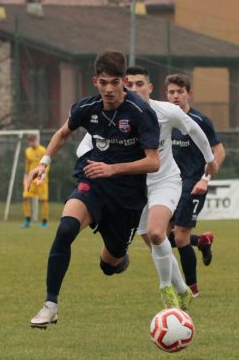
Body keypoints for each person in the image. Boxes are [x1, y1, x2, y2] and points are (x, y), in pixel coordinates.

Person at [28, 51, 161, 329]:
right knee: (65, 230)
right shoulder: (87, 108)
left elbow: (153, 162)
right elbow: (63, 133)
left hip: (127, 198)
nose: (109, 89)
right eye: (103, 83)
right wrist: (44, 163)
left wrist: (113, 168)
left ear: (123, 81)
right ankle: (50, 305)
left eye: (115, 82)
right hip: (93, 185)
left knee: (109, 265)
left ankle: (119, 257)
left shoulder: (140, 112)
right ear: (95, 81)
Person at [76, 66, 218, 310]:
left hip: (165, 181)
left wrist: (210, 160)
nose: (133, 89)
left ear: (150, 88)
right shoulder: (112, 115)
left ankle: (165, 288)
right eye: (128, 84)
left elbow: (195, 129)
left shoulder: (165, 111)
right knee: (156, 242)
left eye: (139, 84)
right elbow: (84, 146)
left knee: (156, 232)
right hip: (133, 189)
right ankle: (182, 289)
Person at [166, 73, 226, 297]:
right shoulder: (164, 120)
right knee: (161, 238)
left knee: (180, 237)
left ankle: (191, 290)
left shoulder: (200, 121)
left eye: (180, 92)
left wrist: (205, 179)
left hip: (193, 184)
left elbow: (219, 151)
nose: (175, 96)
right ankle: (201, 241)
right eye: (171, 92)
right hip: (169, 184)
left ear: (188, 94)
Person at [21, 134, 49, 228]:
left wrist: (44, 175)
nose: (32, 143)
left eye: (33, 141)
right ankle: (27, 220)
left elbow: (47, 163)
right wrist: (25, 176)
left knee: (43, 200)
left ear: (37, 141)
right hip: (31, 178)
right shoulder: (27, 151)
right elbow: (27, 164)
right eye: (30, 141)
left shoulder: (42, 150)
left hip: (41, 178)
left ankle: (44, 221)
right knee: (25, 197)